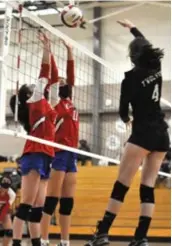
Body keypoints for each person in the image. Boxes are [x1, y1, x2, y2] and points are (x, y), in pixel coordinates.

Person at [84, 19, 170, 246]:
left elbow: (123, 111)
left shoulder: (130, 79)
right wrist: (133, 28)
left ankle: (102, 233)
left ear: (132, 56)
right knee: (148, 185)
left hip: (142, 133)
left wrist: (127, 120)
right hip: (162, 134)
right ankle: (141, 238)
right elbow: (145, 43)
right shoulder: (156, 68)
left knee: (122, 184)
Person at [10, 33, 57, 246]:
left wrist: (52, 50)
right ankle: (17, 243)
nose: (36, 87)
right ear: (28, 96)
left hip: (47, 154)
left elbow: (52, 76)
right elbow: (45, 73)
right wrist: (46, 49)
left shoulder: (43, 102)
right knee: (26, 204)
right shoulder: (35, 102)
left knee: (38, 207)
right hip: (34, 153)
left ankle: (36, 243)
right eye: (32, 88)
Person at [41, 40, 79, 246]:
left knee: (67, 202)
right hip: (59, 152)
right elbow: (55, 77)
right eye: (61, 81)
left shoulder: (70, 101)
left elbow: (71, 76)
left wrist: (70, 51)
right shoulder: (54, 102)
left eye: (65, 81)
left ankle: (65, 241)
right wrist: (50, 51)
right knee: (52, 200)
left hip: (72, 153)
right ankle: (44, 239)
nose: (64, 81)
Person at [0, 175, 16, 246]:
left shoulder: (12, 194)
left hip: (3, 209)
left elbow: (5, 208)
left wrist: (0, 219)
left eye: (6, 188)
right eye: (2, 187)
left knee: (9, 232)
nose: (3, 189)